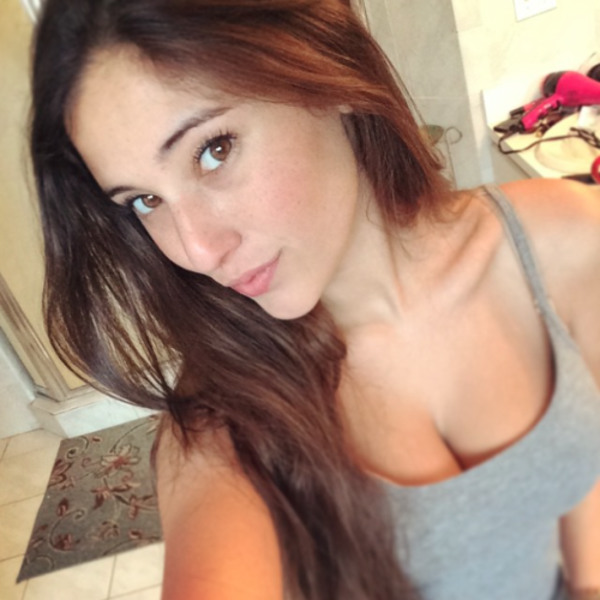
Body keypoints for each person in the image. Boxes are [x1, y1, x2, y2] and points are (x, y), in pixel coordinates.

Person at [29, 0, 600, 598]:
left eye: (213, 150)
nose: (197, 249)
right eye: (145, 201)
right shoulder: (223, 432)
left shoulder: (563, 243)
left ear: (328, 74)